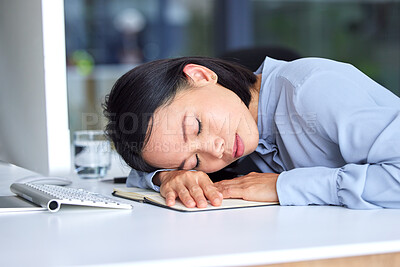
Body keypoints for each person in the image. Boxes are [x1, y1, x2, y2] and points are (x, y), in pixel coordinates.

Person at [103, 56, 400, 209]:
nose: (214, 150)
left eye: (196, 127)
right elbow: (136, 175)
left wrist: (281, 187)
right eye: (194, 161)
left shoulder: (311, 89)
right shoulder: (241, 129)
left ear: (201, 76)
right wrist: (169, 176)